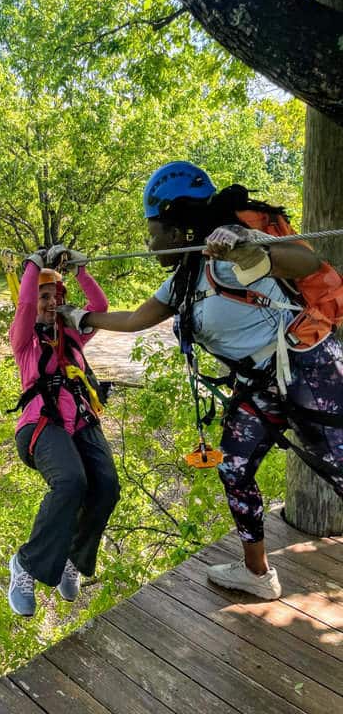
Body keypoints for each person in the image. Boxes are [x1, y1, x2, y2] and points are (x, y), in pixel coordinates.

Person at [58, 161, 343, 601]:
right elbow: (136, 319)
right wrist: (74, 315)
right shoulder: (185, 280)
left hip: (311, 371)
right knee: (234, 467)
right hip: (260, 387)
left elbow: (306, 261)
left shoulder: (233, 254)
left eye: (152, 229)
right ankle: (257, 574)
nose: (148, 241)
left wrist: (253, 253)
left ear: (176, 227)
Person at [7, 245, 120, 616]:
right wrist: (34, 265)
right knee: (72, 482)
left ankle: (74, 560)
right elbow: (24, 307)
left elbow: (99, 309)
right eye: (44, 295)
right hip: (41, 425)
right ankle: (26, 564)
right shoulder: (24, 341)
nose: (50, 302)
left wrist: (82, 270)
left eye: (56, 296)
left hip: (82, 421)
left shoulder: (72, 337)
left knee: (106, 486)